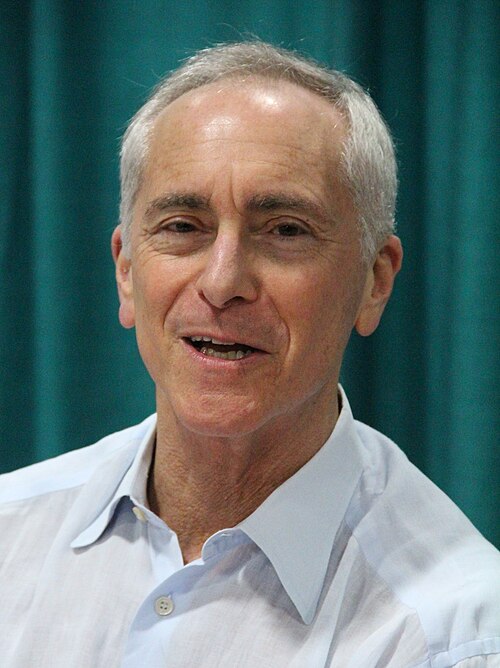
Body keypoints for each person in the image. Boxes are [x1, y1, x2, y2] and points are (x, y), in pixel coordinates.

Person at [0, 42, 498, 668]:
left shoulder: (455, 637)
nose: (222, 282)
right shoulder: (10, 533)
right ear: (126, 270)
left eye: (285, 230)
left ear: (375, 281)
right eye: (183, 226)